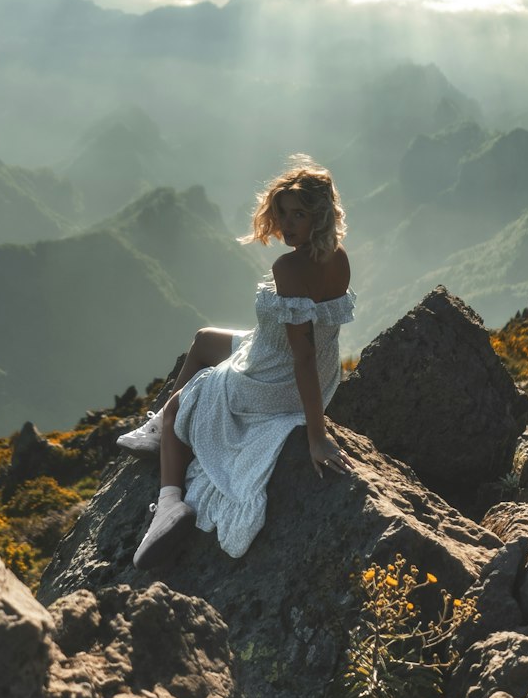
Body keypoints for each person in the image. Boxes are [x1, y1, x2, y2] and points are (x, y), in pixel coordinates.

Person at [117, 156, 355, 570]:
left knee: (180, 406)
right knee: (206, 339)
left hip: (273, 376)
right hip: (311, 366)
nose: (287, 224)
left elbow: (300, 355)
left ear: (319, 215)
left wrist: (315, 436)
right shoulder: (340, 258)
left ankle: (169, 504)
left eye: (298, 214)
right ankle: (157, 432)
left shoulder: (289, 267)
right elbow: (315, 337)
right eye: (282, 213)